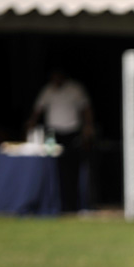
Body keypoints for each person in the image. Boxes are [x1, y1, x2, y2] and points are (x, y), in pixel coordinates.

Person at [26, 69, 94, 212]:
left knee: (71, 170)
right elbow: (38, 109)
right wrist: (31, 124)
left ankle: (73, 205)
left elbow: (86, 109)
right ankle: (55, 204)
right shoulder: (48, 90)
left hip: (71, 132)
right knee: (54, 168)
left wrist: (88, 127)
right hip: (53, 134)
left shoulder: (75, 89)